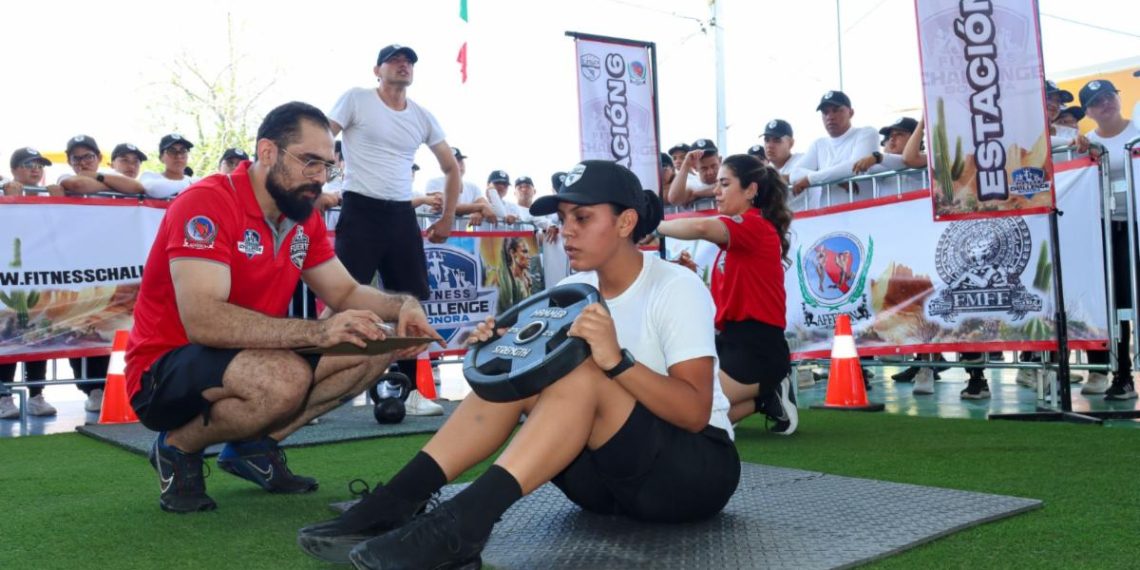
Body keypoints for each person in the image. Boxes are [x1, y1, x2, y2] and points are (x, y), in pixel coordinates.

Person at [297, 160, 740, 568]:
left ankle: (463, 527)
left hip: (691, 477)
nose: (566, 231)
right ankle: (397, 501)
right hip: (604, 485)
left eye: (582, 218)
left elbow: (695, 412)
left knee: (584, 372)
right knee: (513, 371)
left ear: (626, 222)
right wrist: (503, 351)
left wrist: (617, 361)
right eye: (563, 218)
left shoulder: (673, 286)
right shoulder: (573, 287)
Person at [124, 101, 443, 514]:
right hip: (162, 368)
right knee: (284, 378)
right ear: (268, 152)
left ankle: (254, 448)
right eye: (309, 161)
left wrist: (405, 306)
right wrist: (317, 333)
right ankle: (176, 447)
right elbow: (203, 320)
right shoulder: (205, 203)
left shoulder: (301, 215)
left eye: (328, 165)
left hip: (251, 353)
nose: (319, 177)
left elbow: (344, 292)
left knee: (375, 347)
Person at [328, 44, 462, 417]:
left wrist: (448, 217)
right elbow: (323, 141)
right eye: (395, 60)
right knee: (340, 299)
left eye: (409, 62)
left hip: (400, 215)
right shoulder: (356, 99)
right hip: (360, 208)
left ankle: (407, 391)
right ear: (377, 69)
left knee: (410, 301)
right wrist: (318, 191)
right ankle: (313, 388)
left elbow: (452, 169)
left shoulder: (422, 116)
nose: (404, 66)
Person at [656, 154, 796, 433]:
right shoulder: (740, 234)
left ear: (751, 190)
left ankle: (768, 388)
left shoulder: (754, 225)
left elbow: (699, 227)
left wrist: (651, 227)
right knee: (693, 420)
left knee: (688, 415)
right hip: (729, 343)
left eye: (724, 184)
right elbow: (730, 298)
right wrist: (693, 275)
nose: (716, 192)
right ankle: (766, 397)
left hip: (757, 349)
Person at [1080, 78, 1139, 401]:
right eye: (1097, 101)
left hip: (1137, 224)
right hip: (1104, 229)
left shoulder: (1138, 129)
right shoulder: (1084, 142)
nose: (1106, 103)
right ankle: (1118, 373)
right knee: (1112, 303)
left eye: (1109, 97)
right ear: (1088, 111)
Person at [789, 91, 879, 208]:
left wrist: (812, 178)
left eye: (836, 110)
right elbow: (794, 175)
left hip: (862, 214)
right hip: (829, 218)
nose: (830, 117)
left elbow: (856, 166)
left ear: (851, 113)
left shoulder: (866, 133)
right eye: (825, 112)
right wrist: (836, 179)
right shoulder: (819, 144)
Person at [422, 147, 494, 224]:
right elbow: (447, 207)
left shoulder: (472, 187)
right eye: (453, 162)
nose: (458, 166)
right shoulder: (434, 183)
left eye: (460, 161)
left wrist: (479, 213)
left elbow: (488, 208)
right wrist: (480, 208)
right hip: (437, 234)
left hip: (461, 235)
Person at [58, 135, 145, 196]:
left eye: (88, 157)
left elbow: (137, 187)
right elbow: (79, 184)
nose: (83, 163)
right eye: (76, 159)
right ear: (69, 162)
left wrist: (96, 176)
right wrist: (119, 187)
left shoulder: (110, 176)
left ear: (99, 158)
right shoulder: (65, 177)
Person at [140, 134, 198, 199]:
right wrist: (194, 185)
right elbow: (153, 190)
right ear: (161, 158)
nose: (178, 156)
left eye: (183, 151)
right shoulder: (149, 177)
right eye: (172, 151)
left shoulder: (195, 181)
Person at [668, 138, 721, 205]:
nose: (710, 172)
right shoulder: (692, 185)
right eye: (704, 168)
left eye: (714, 166)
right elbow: (674, 200)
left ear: (720, 161)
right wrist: (686, 164)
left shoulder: (729, 177)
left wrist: (697, 194)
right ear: (694, 167)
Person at [762, 119, 801, 184]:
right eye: (767, 140)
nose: (769, 145)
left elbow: (811, 175)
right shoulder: (767, 169)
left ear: (791, 143)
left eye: (777, 140)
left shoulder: (801, 160)